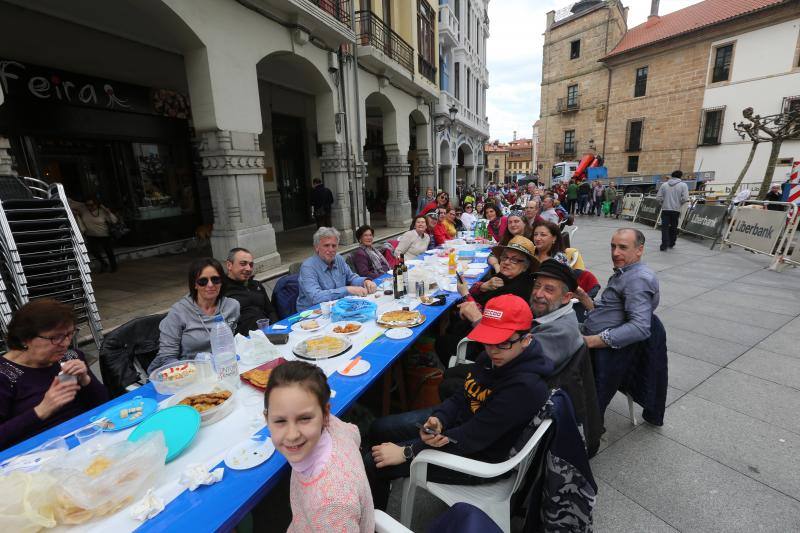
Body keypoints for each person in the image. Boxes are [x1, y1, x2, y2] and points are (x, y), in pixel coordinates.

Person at [365, 294, 554, 510]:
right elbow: (462, 395)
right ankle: (383, 483)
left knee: (373, 463)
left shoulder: (525, 387)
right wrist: (440, 419)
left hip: (478, 459)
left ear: (526, 340)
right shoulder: (494, 358)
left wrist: (408, 452)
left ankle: (373, 519)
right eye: (488, 341)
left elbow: (473, 438)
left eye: (503, 343)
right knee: (379, 428)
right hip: (460, 430)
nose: (492, 350)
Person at [265, 361, 374, 531]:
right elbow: (354, 433)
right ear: (267, 419)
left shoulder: (331, 507)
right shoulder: (332, 424)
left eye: (304, 419)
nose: (292, 435)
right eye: (280, 421)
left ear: (325, 414)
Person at [0, 299, 108, 449]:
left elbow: (104, 405)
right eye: (55, 337)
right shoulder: (5, 375)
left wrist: (86, 380)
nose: (65, 343)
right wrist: (40, 411)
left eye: (70, 334)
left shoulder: (70, 357)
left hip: (87, 437)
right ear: (25, 338)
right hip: (38, 454)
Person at [580, 229, 660, 415]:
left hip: (606, 353)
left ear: (639, 250)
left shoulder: (638, 278)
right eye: (613, 246)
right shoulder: (626, 272)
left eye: (623, 247)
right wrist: (582, 296)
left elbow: (640, 327)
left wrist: (590, 341)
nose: (615, 253)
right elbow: (610, 310)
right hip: (594, 335)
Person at [436, 236, 539, 364]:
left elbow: (487, 319)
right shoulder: (505, 276)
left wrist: (465, 294)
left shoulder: (519, 290)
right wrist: (483, 286)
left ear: (525, 266)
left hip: (485, 343)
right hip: (475, 326)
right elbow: (477, 287)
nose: (506, 262)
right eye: (505, 257)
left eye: (514, 260)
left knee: (441, 341)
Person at [150, 258, 240, 373]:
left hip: (224, 368)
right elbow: (167, 357)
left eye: (215, 279)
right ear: (195, 285)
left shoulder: (232, 306)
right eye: (203, 281)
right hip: (188, 373)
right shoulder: (178, 312)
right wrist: (188, 372)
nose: (210, 285)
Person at [296, 227, 377, 311]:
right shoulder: (308, 267)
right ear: (317, 247)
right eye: (326, 245)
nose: (331, 249)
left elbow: (351, 278)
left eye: (334, 246)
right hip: (311, 313)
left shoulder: (338, 259)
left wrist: (365, 281)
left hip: (336, 307)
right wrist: (347, 289)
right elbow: (315, 297)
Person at [224, 248, 278, 335]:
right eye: (243, 264)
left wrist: (276, 327)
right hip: (244, 340)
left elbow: (271, 311)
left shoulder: (257, 285)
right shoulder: (221, 290)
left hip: (269, 332)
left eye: (251, 265)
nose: (249, 268)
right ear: (229, 265)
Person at [78, 195, 119, 273]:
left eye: (91, 205)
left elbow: (114, 221)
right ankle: (104, 264)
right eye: (87, 205)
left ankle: (114, 266)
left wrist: (108, 211)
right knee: (93, 251)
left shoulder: (102, 212)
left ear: (96, 204)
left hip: (104, 235)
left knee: (108, 251)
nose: (89, 207)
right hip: (91, 235)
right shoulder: (84, 211)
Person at [656, 170, 689, 251]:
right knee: (674, 227)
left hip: (665, 209)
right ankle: (671, 243)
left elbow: (658, 197)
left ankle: (664, 244)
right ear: (680, 176)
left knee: (664, 227)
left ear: (672, 176)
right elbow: (685, 198)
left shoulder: (664, 184)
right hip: (676, 210)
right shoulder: (683, 185)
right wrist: (679, 203)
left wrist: (662, 203)